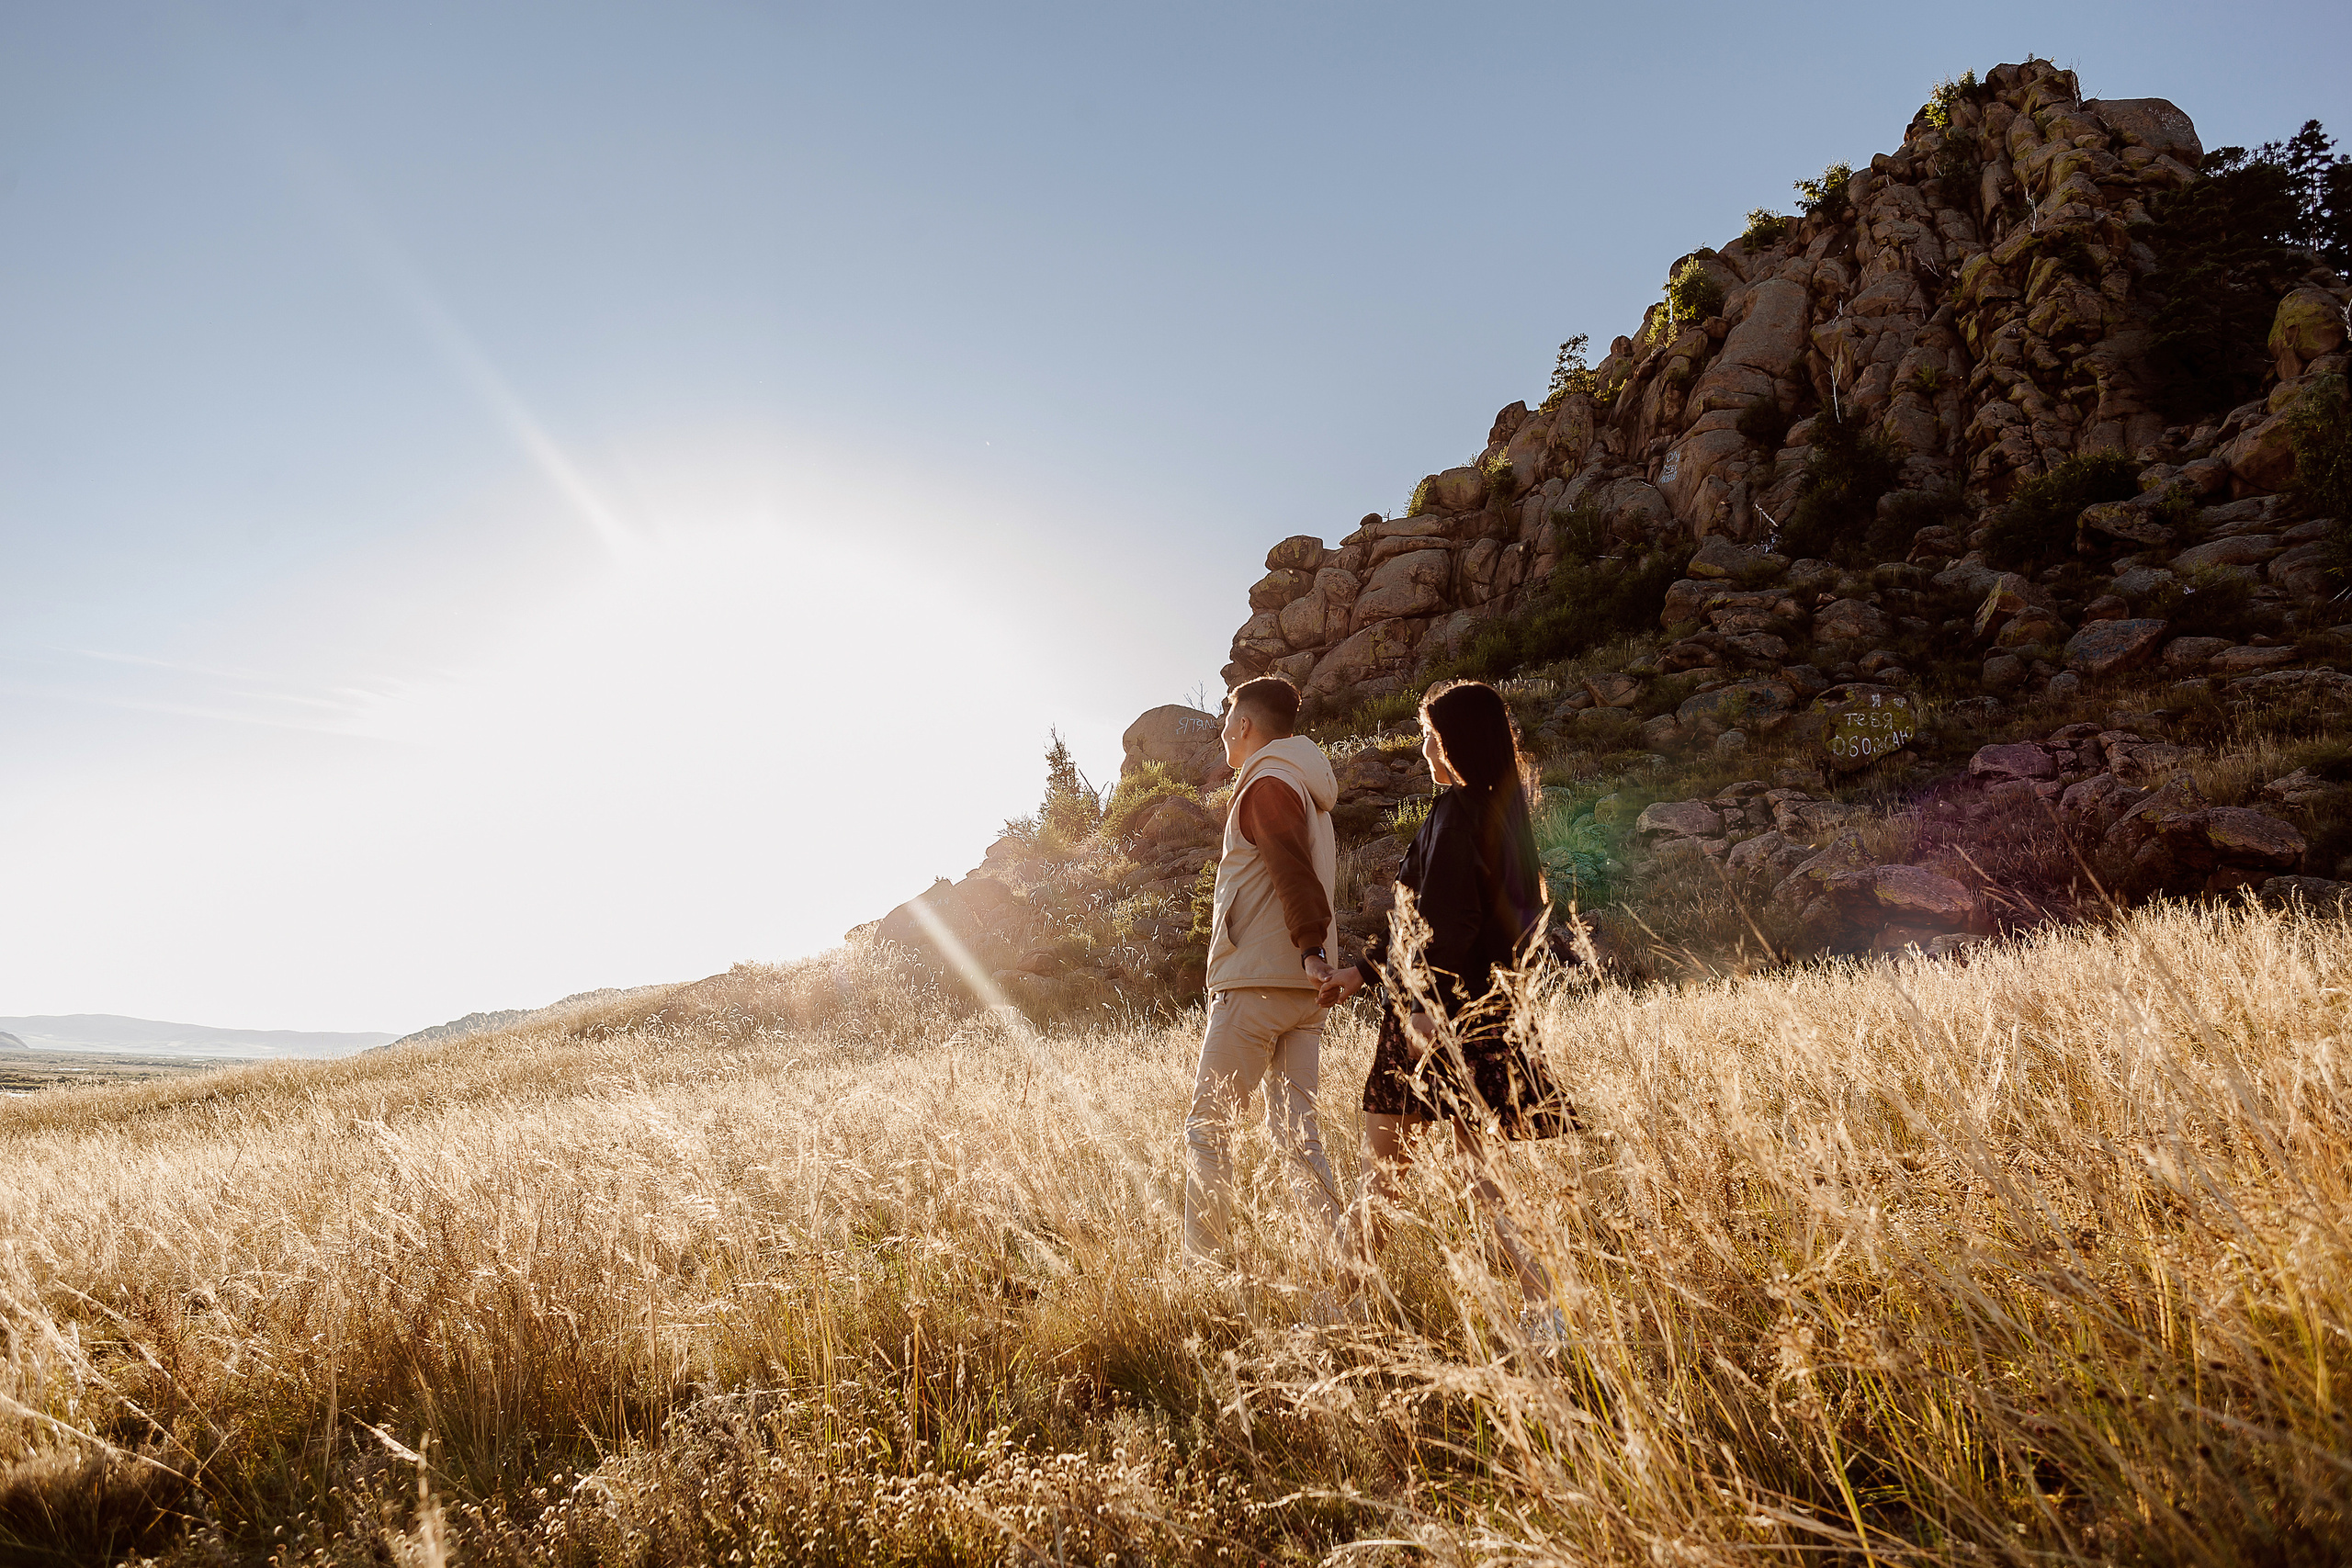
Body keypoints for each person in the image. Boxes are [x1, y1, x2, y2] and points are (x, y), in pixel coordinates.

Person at [1317, 680, 1573, 1331]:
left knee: (1384, 1174)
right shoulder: (1495, 811)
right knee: (1474, 1175)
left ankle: (1337, 1310)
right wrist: (1361, 970)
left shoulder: (1458, 813)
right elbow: (1424, 921)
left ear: (1458, 741)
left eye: (1432, 734)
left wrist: (1423, 1009)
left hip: (1428, 1020)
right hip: (1477, 1016)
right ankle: (1543, 1305)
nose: (1425, 747)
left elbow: (1445, 922)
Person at [1182, 675, 1345, 1264]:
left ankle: (1205, 1274)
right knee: (1300, 1139)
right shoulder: (1306, 781)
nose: (1223, 734)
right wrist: (1317, 959)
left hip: (1258, 984)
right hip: (1304, 992)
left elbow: (1289, 869)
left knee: (1209, 1130)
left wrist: (1308, 948)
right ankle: (1342, 1270)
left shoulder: (1268, 782)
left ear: (1245, 725)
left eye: (1227, 721)